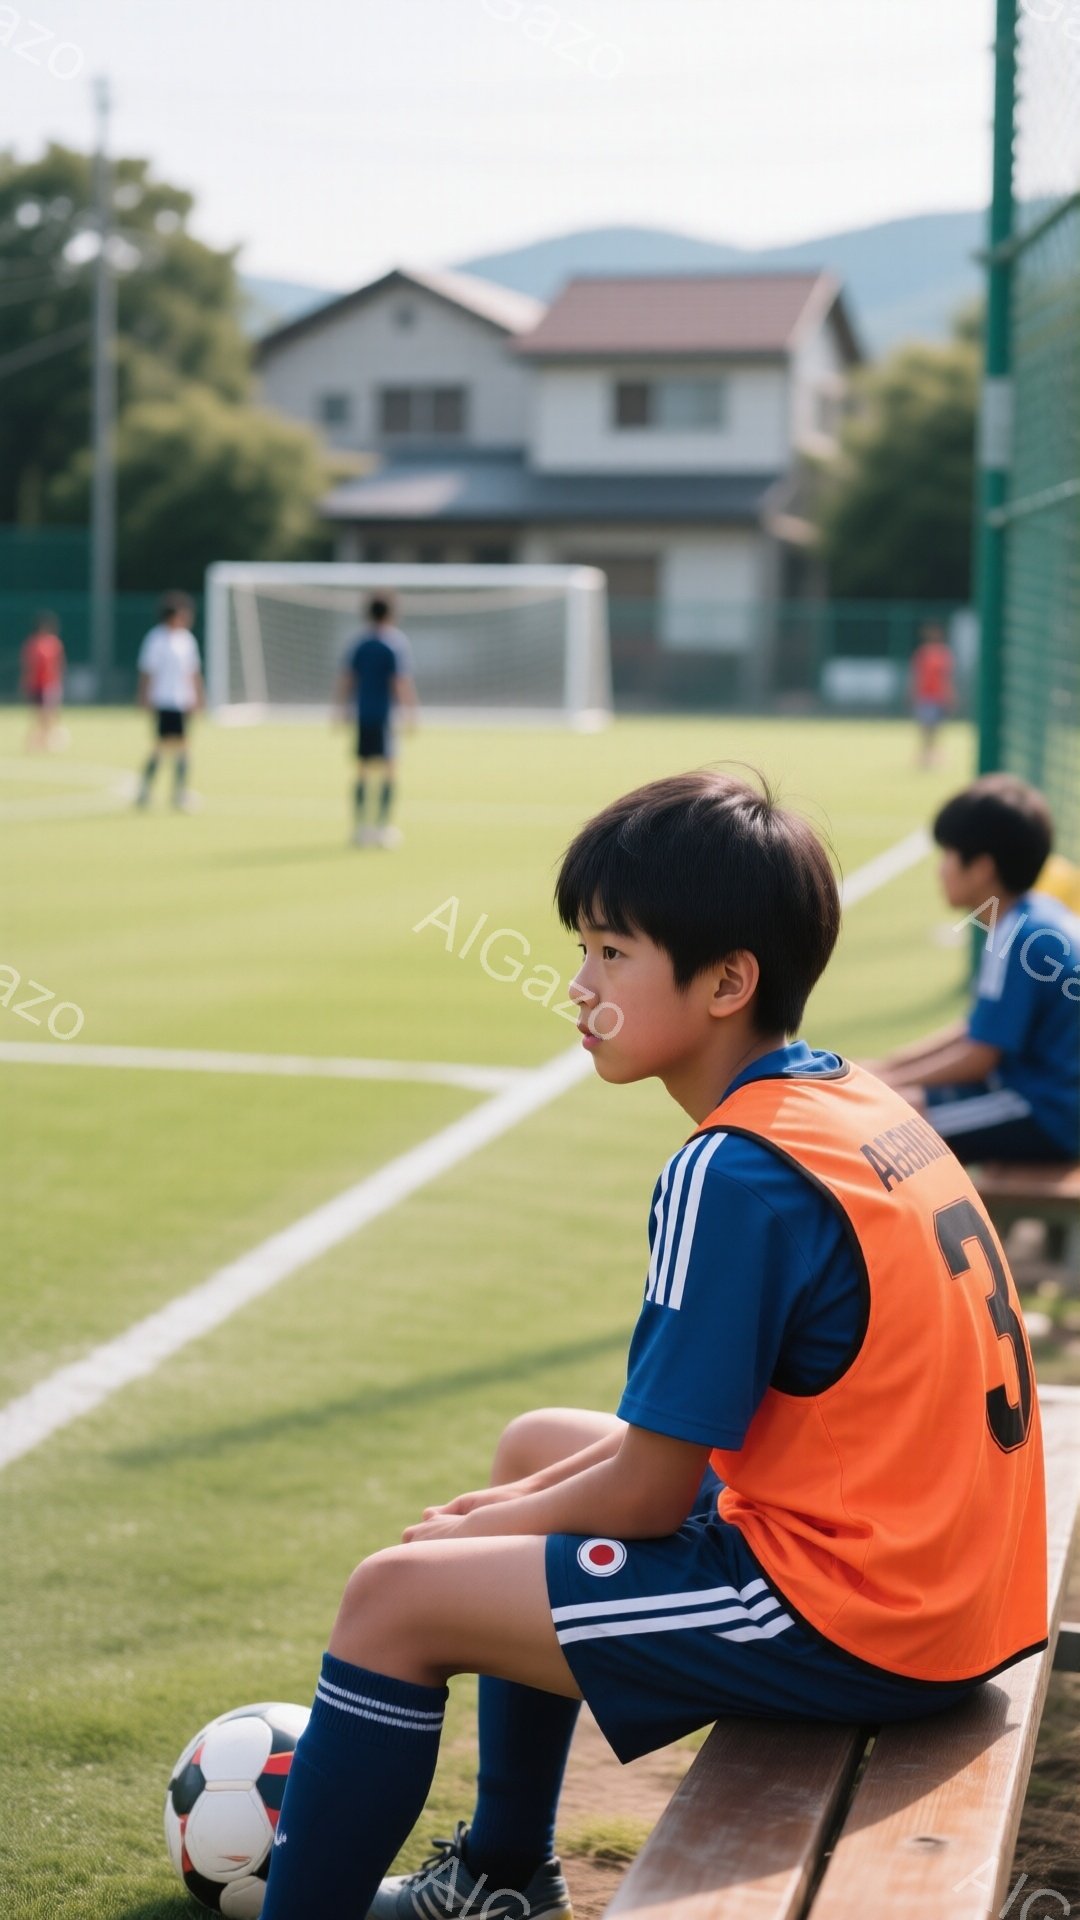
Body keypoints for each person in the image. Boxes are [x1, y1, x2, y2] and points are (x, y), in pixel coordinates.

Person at [261, 771, 1046, 1920]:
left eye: (612, 955)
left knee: (394, 1598)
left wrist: (477, 1530)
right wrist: (515, 1510)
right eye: (582, 949)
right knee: (535, 1446)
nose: (577, 988)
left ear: (729, 980)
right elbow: (665, 1456)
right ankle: (502, 1877)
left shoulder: (730, 1169)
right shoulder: (848, 1100)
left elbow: (645, 1492)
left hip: (870, 1615)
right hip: (956, 1580)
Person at [875, 773, 1079, 1163]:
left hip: (1047, 1114)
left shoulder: (1017, 936)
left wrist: (885, 1084)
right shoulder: (1035, 917)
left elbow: (980, 1057)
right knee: (891, 1101)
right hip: (1049, 1102)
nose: (941, 870)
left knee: (891, 1120)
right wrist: (888, 1068)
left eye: (948, 855)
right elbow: (977, 1032)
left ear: (983, 868)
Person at [336, 594, 417, 848]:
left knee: (361, 771)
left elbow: (348, 678)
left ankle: (360, 828)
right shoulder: (393, 644)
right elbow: (400, 681)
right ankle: (382, 828)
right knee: (389, 770)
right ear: (391, 614)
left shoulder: (360, 643)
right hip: (383, 715)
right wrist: (410, 711)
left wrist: (340, 707)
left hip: (363, 713)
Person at [135, 592, 204, 811]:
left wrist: (198, 697)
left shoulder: (186, 640)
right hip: (164, 701)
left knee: (183, 748)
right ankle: (146, 790)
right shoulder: (157, 639)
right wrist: (144, 696)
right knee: (161, 748)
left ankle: (178, 793)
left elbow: (193, 672)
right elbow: (147, 671)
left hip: (182, 701)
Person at [909, 623, 955, 767]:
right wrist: (913, 693)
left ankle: (933, 755)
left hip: (938, 696)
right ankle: (924, 755)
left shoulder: (944, 654)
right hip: (926, 696)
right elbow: (917, 675)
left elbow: (947, 677)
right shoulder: (922, 653)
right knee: (925, 727)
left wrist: (950, 695)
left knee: (936, 728)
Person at [21, 610, 67, 751]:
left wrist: (58, 682)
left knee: (49, 712)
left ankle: (48, 739)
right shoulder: (33, 644)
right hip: (36, 684)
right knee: (39, 713)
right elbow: (28, 664)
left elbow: (59, 665)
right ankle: (39, 740)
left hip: (49, 684)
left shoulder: (54, 644)